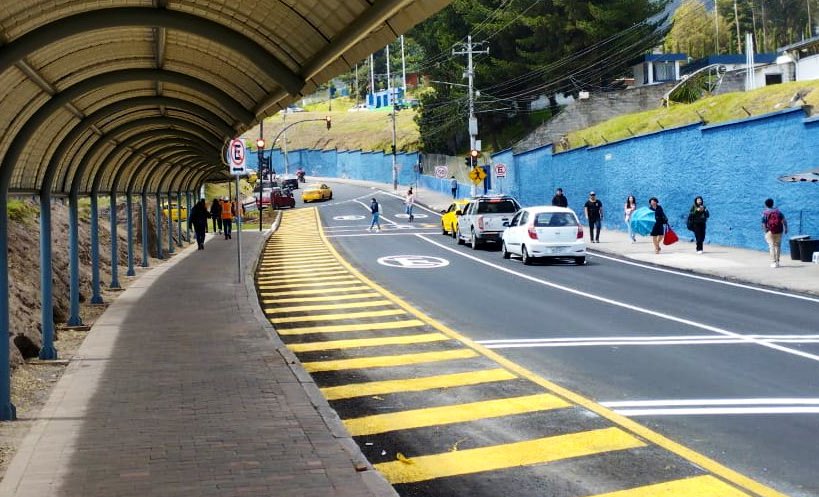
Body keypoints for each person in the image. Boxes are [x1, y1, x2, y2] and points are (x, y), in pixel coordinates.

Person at [762, 198, 788, 268]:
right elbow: (784, 221)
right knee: (778, 246)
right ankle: (778, 261)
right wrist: (786, 228)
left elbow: (764, 223)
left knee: (771, 246)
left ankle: (773, 262)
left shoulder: (765, 213)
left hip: (770, 231)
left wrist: (765, 230)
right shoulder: (778, 212)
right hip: (779, 231)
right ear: (772, 204)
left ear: (766, 205)